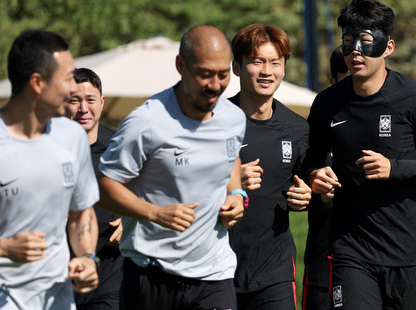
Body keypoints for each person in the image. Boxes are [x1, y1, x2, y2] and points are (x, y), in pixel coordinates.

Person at [306, 0, 416, 310]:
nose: (355, 51)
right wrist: (315, 173)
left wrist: (395, 169)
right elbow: (312, 154)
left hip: (404, 251)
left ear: (388, 47)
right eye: (348, 41)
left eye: (366, 41)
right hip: (350, 249)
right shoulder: (327, 104)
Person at [97, 25, 247, 310]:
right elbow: (105, 185)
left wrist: (238, 194)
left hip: (214, 273)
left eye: (222, 74)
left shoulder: (233, 119)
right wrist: (155, 213)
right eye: (204, 74)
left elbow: (230, 158)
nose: (215, 85)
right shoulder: (146, 121)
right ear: (181, 65)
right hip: (151, 274)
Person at [0, 29, 99, 309]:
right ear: (37, 83)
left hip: (58, 298)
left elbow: (82, 213)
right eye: (68, 78)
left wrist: (87, 258)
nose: (74, 89)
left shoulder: (72, 137)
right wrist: (5, 248)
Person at [226, 24, 312, 310]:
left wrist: (308, 196)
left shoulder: (298, 129)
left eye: (275, 62)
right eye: (256, 61)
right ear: (236, 67)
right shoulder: (213, 124)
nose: (267, 71)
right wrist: (232, 181)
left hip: (274, 274)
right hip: (217, 272)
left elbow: (312, 187)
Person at [64, 67, 123, 310]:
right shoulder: (46, 148)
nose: (83, 109)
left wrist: (131, 219)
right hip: (58, 274)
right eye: (74, 100)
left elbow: (150, 193)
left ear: (102, 101)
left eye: (90, 100)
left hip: (109, 272)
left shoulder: (121, 148)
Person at [301, 46, 349, 310]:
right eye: (347, 80)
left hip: (370, 259)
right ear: (332, 83)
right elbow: (293, 184)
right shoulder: (316, 129)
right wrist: (316, 193)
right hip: (321, 264)